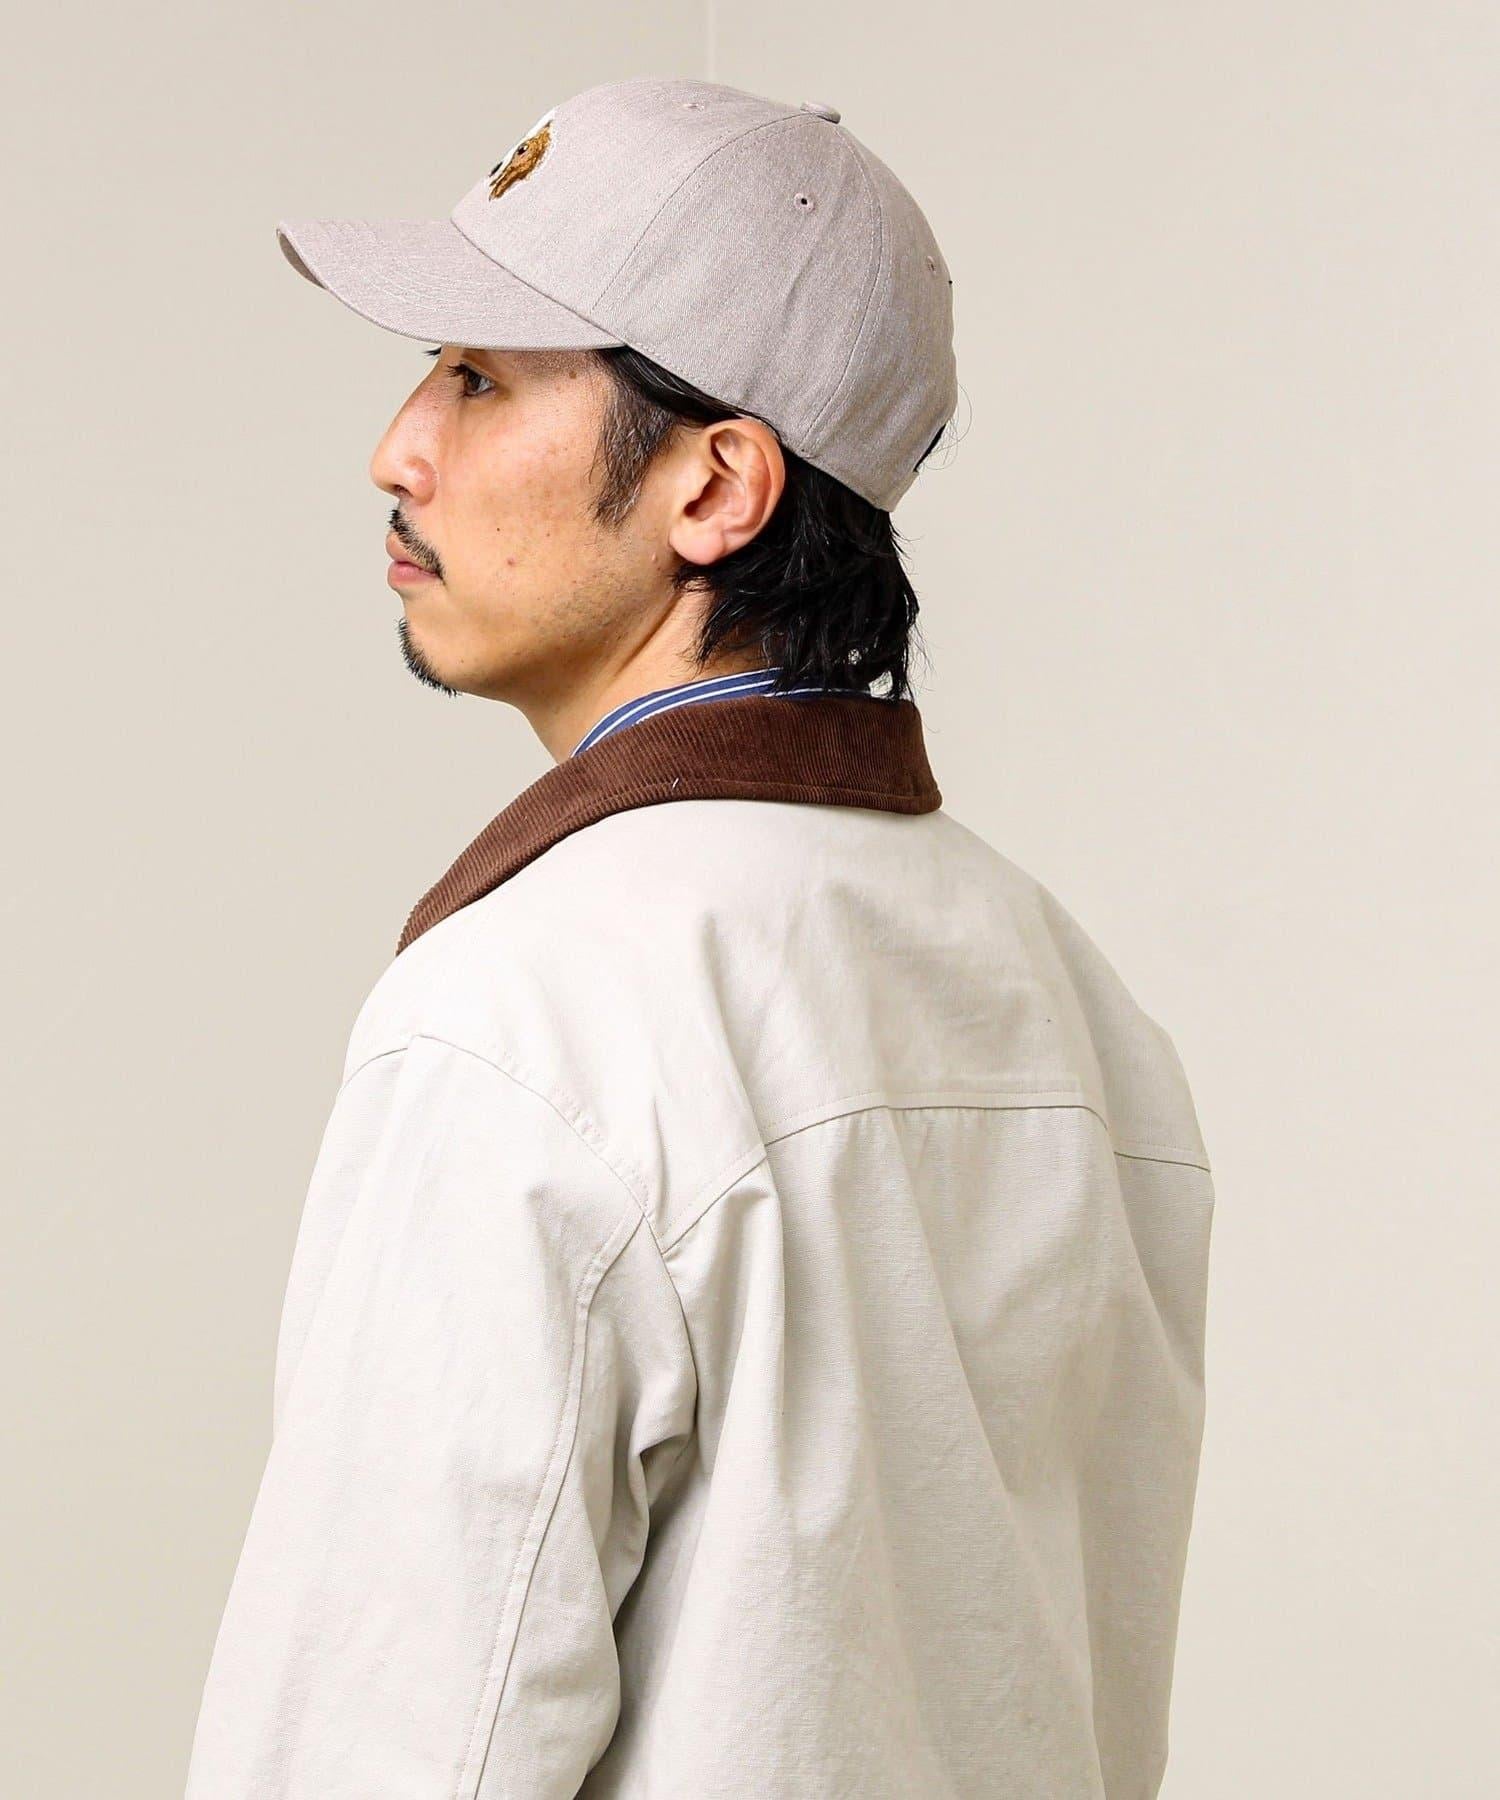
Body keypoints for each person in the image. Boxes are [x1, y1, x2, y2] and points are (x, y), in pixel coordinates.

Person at [185, 75, 1214, 1799]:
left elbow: (379, 1748)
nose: (398, 448)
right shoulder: (1072, 1003)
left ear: (716, 487)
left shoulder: (522, 1016)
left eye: (481, 377)